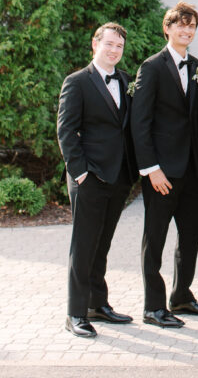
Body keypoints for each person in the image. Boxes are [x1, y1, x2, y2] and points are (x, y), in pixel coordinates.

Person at [131, 1, 198, 327]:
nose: (187, 30)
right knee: (155, 237)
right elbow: (140, 123)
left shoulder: (196, 66)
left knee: (193, 231)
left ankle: (181, 296)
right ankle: (153, 307)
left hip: (191, 170)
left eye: (191, 26)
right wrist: (151, 168)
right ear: (167, 28)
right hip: (162, 173)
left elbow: (197, 118)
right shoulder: (151, 67)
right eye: (181, 25)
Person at [57, 22, 137, 338]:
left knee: (102, 244)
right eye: (109, 44)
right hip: (88, 178)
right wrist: (81, 173)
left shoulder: (127, 81)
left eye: (119, 46)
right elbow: (66, 131)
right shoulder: (77, 82)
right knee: (84, 245)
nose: (114, 50)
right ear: (95, 44)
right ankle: (75, 313)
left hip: (118, 178)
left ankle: (97, 304)